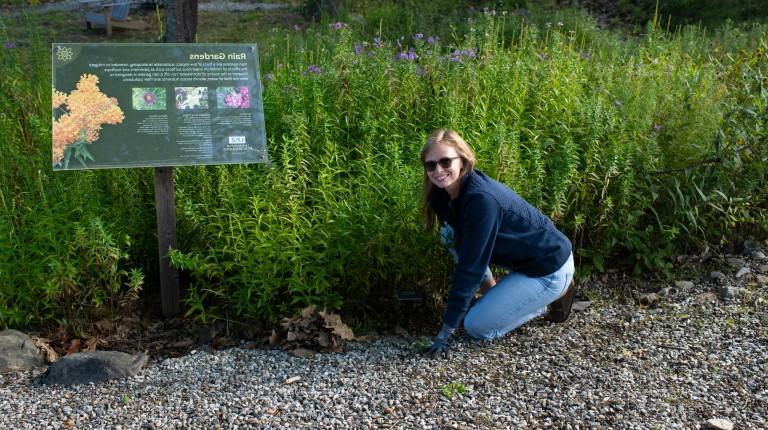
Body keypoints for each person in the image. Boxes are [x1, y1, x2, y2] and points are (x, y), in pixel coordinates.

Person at [420, 129, 576, 357]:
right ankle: (496, 295)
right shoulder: (441, 196)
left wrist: (445, 332)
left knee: (476, 326)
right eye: (431, 165)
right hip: (522, 262)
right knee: (448, 235)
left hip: (549, 267)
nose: (438, 170)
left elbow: (470, 268)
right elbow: (469, 254)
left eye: (445, 161)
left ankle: (548, 300)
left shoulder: (481, 200)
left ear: (462, 160)